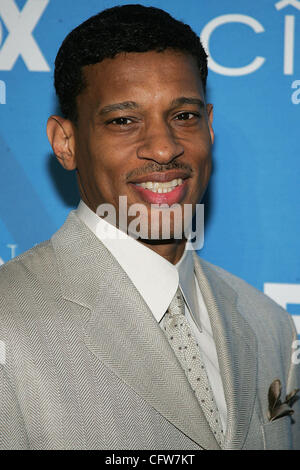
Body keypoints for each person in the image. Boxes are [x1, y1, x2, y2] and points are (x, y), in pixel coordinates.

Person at [0, 4, 299, 450]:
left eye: (184, 116)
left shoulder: (269, 324)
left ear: (210, 128)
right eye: (124, 120)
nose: (164, 147)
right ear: (66, 143)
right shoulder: (10, 320)